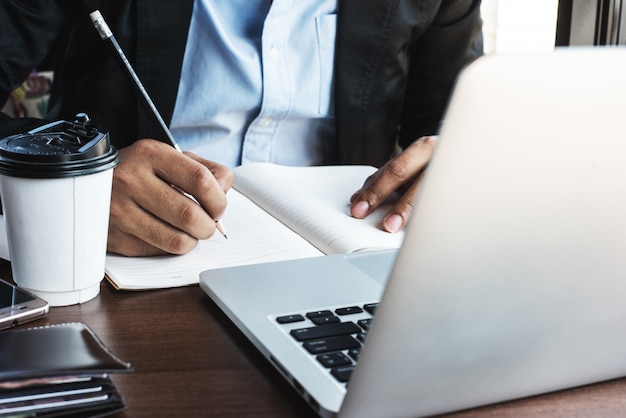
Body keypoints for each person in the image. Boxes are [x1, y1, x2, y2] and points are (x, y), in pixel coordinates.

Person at [0, 0, 483, 257]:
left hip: (351, 258)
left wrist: (460, 158)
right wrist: (74, 179)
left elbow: (461, 123)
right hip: (126, 266)